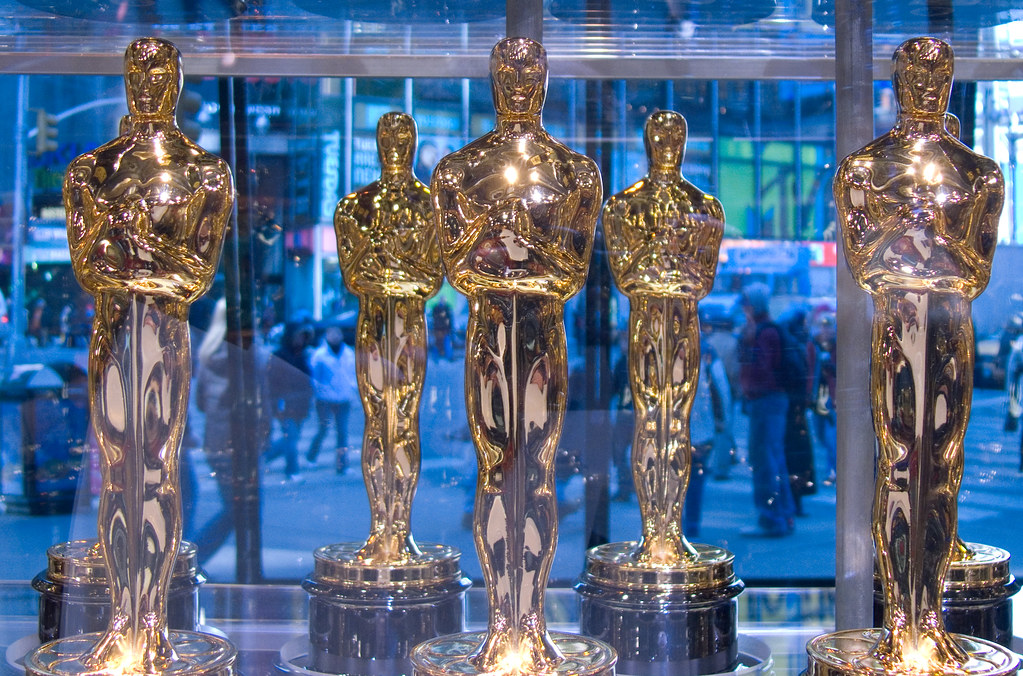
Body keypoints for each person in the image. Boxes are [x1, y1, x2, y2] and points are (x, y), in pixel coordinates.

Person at [431, 37, 601, 671]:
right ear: (494, 78)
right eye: (510, 71)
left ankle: (527, 624)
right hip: (490, 329)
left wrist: (515, 242)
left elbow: (571, 270)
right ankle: (504, 627)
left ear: (548, 79)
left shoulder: (576, 171)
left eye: (532, 70)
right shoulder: (458, 170)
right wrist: (503, 244)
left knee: (537, 468)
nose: (521, 81)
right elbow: (459, 267)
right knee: (497, 467)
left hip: (541, 333)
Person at [63, 37, 233, 670]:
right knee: (117, 469)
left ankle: (152, 620)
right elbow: (89, 267)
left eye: (163, 71)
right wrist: (147, 259)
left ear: (180, 80)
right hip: (114, 334)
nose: (151, 81)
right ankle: (121, 620)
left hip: (165, 332)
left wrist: (130, 248)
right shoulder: (89, 170)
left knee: (157, 465)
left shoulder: (205, 172)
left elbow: (195, 274)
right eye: (141, 70)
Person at [834, 37, 1003, 667]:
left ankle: (927, 621)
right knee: (900, 462)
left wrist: (911, 242)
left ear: (953, 78)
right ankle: (902, 620)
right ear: (897, 79)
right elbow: (863, 265)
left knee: (944, 464)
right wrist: (927, 246)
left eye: (939, 72)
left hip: (951, 328)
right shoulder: (864, 169)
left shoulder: (981, 173)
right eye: (915, 72)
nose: (927, 82)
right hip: (896, 325)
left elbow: (976, 270)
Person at [602, 109, 725, 564]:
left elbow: (703, 276)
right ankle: (652, 531)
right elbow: (625, 274)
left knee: (677, 422)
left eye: (676, 133)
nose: (667, 142)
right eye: (659, 134)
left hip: (682, 325)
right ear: (647, 142)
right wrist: (665, 261)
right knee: (649, 419)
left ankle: (670, 532)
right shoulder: (622, 206)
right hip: (645, 323)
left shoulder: (705, 207)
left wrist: (661, 266)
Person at [333, 111, 444, 563]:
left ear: (414, 143)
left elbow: (431, 276)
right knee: (377, 421)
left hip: (410, 322)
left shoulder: (431, 205)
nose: (395, 143)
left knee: (405, 421)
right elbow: (354, 274)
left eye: (404, 136)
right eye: (387, 135)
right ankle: (381, 525)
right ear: (377, 142)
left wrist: (388, 267)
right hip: (374, 322)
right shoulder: (353, 207)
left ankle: (403, 527)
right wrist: (395, 270)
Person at [737, 282, 795, 537]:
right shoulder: (770, 329)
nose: (744, 308)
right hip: (774, 400)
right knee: (774, 458)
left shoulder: (762, 333)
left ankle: (771, 518)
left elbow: (759, 370)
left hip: (766, 401)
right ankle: (783, 515)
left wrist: (747, 344)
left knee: (764, 460)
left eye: (747, 303)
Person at [685, 336, 732, 537]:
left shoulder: (663, 346)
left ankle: (678, 525)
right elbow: (720, 390)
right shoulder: (707, 352)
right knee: (695, 476)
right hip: (700, 427)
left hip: (685, 425)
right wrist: (722, 420)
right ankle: (691, 524)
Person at [780, 307, 816, 516]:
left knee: (792, 454)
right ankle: (796, 499)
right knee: (798, 455)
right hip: (796, 408)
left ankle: (794, 499)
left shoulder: (792, 347)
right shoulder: (799, 346)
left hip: (792, 407)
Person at [266, 322, 314, 480]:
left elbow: (308, 381)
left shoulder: (303, 356)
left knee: (291, 438)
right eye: (299, 336)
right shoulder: (279, 356)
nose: (301, 340)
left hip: (300, 405)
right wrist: (275, 405)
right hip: (284, 404)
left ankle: (264, 457)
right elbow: (272, 383)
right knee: (291, 438)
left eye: (303, 337)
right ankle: (292, 471)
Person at [306, 325, 357, 474]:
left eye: (337, 334)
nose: (334, 337)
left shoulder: (348, 353)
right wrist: (318, 391)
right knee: (323, 429)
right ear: (327, 336)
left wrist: (351, 389)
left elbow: (353, 374)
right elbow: (313, 377)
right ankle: (311, 457)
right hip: (324, 399)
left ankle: (342, 465)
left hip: (343, 398)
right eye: (331, 334)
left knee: (342, 432)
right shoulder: (319, 355)